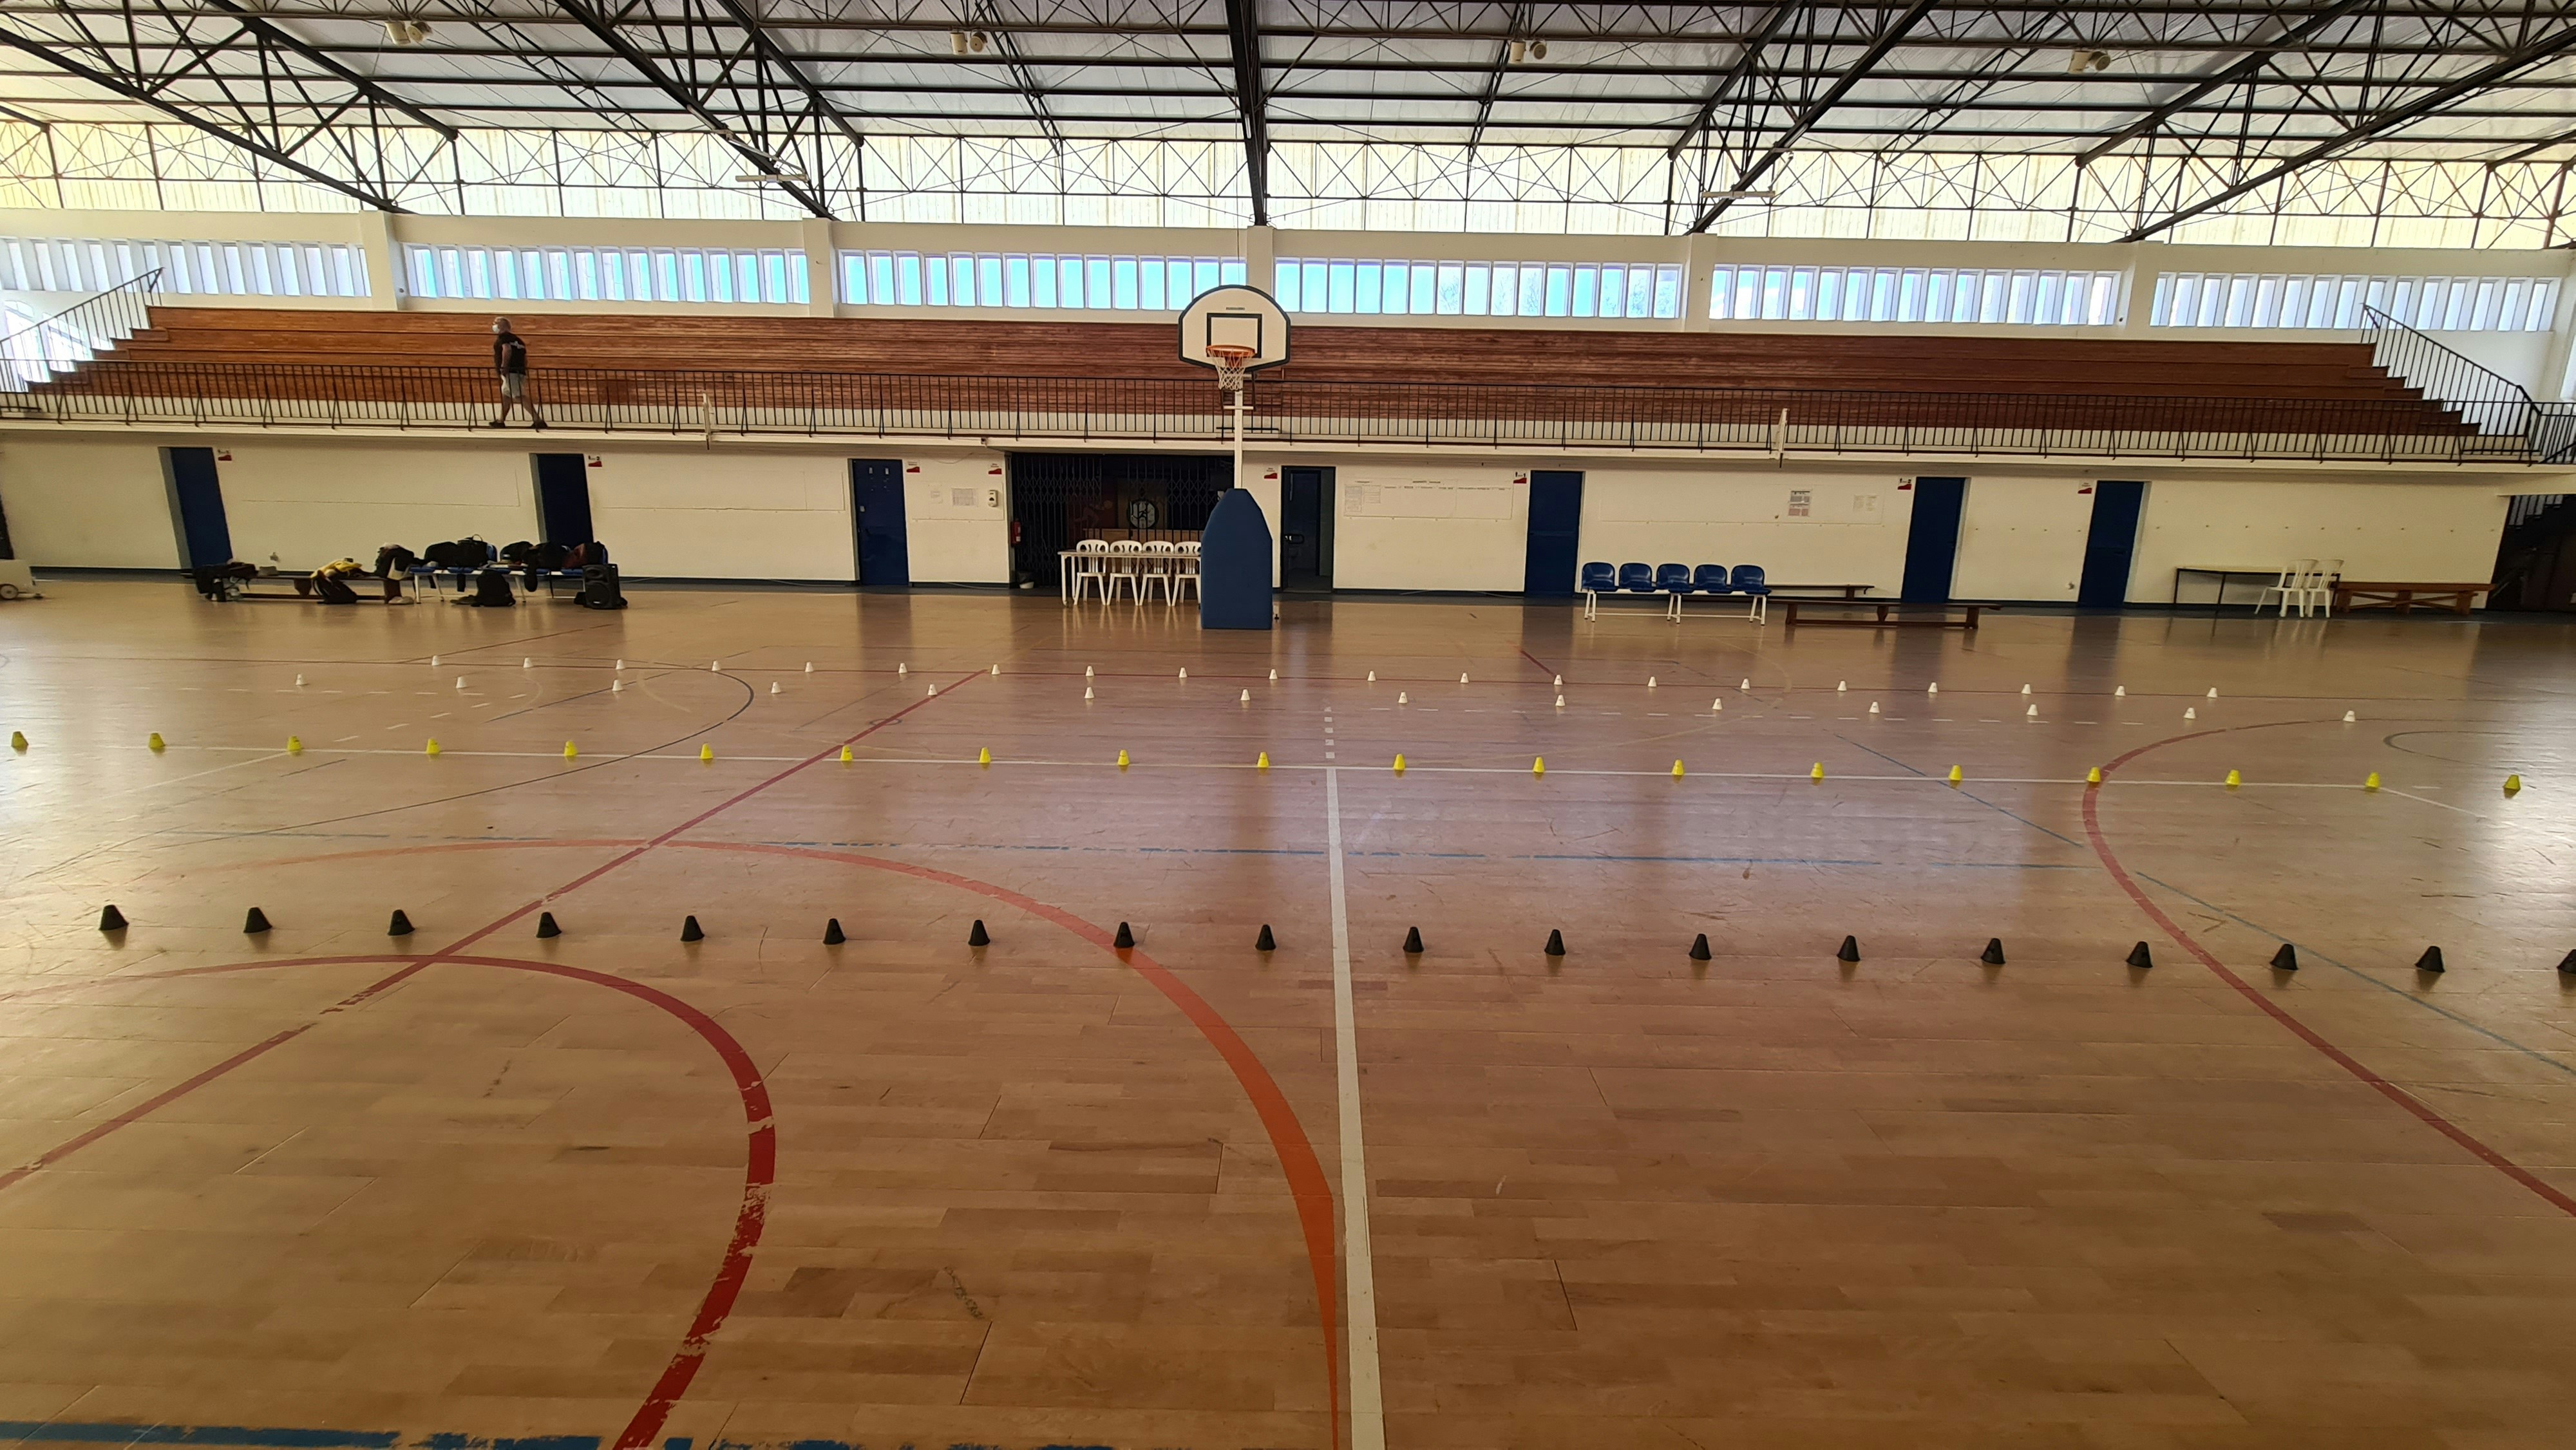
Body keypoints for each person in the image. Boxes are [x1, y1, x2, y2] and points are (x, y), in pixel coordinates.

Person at [489, 317, 547, 429]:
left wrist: (503, 367)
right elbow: (525, 358)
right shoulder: (518, 340)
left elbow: (507, 350)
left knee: (519, 395)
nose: (494, 326)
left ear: (502, 326)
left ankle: (538, 420)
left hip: (511, 372)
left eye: (496, 324)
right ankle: (501, 421)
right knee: (506, 395)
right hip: (519, 371)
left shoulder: (503, 339)